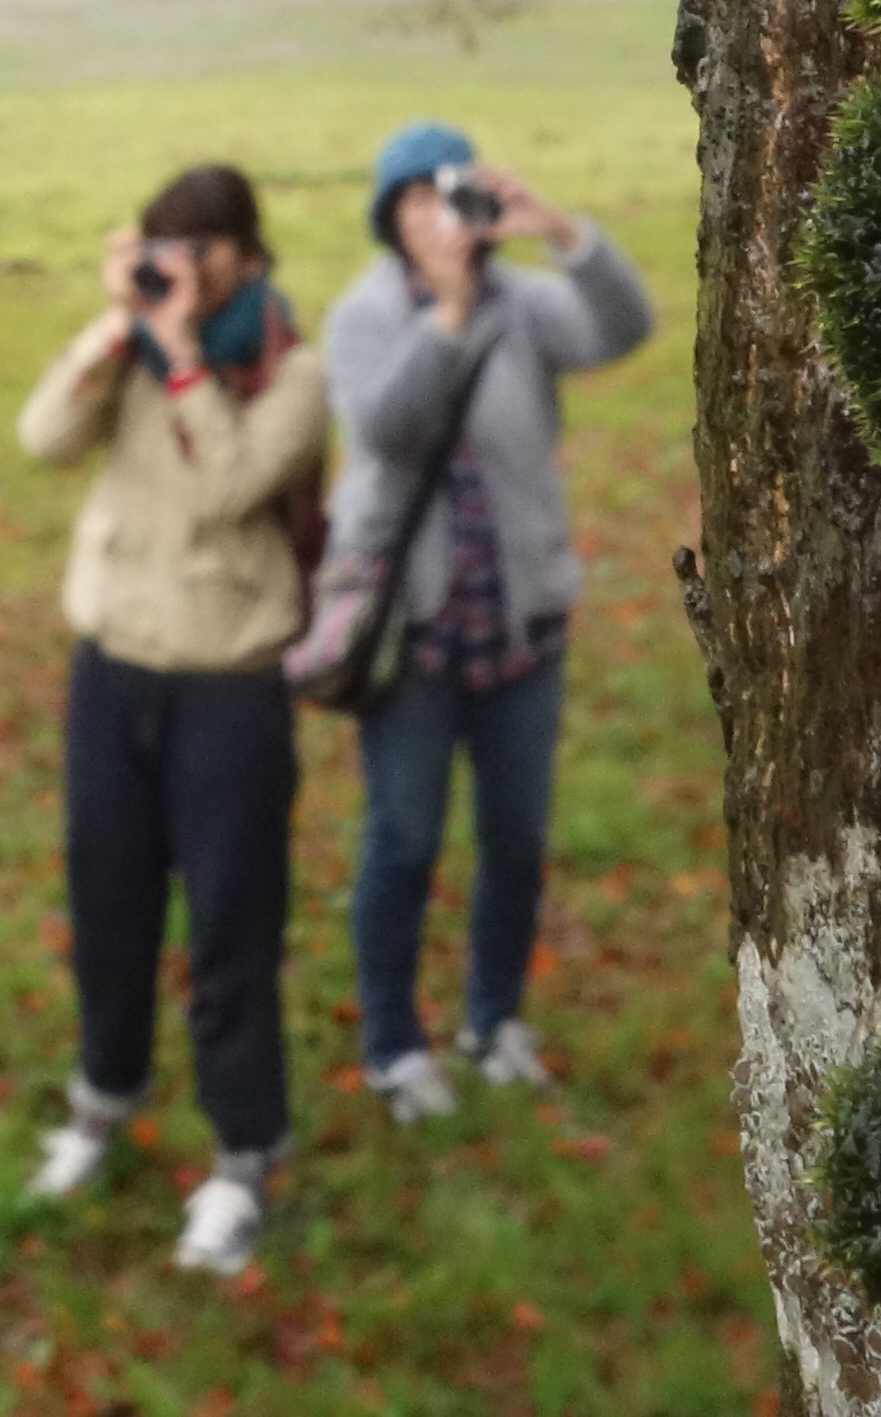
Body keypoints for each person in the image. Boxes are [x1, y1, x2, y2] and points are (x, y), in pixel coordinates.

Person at [12, 162, 331, 1275]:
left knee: (230, 935)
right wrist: (114, 328)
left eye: (198, 248)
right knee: (107, 909)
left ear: (245, 253)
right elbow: (43, 437)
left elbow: (225, 489)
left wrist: (184, 352)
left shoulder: (291, 370)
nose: (177, 269)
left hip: (228, 691)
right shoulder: (134, 353)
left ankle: (243, 1155)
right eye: (162, 246)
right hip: (113, 674)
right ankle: (104, 1099)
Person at [323, 122, 653, 1121]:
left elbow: (625, 328)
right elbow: (387, 429)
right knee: (406, 838)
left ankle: (492, 1020)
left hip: (520, 623)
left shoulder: (526, 306)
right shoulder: (365, 316)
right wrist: (450, 316)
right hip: (411, 631)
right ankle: (392, 1043)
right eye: (413, 201)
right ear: (390, 220)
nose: (435, 216)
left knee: (515, 838)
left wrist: (562, 231)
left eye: (451, 196)